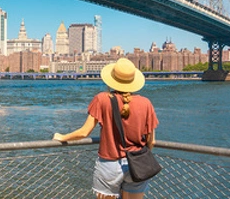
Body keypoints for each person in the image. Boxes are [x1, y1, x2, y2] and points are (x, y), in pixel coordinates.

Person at [53, 58, 159, 199]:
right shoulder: (146, 103)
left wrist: (62, 137)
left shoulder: (102, 99)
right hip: (138, 164)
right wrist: (139, 158)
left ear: (112, 79)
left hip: (110, 166)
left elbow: (84, 132)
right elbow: (151, 142)